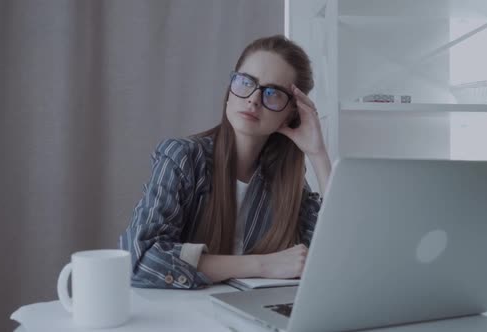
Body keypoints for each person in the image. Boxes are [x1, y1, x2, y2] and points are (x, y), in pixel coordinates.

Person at [120, 35, 331, 289]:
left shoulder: (287, 182)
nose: (253, 99)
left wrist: (318, 153)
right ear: (230, 89)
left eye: (272, 92)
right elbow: (140, 258)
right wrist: (262, 265)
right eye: (245, 82)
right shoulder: (182, 158)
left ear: (292, 112)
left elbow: (336, 255)